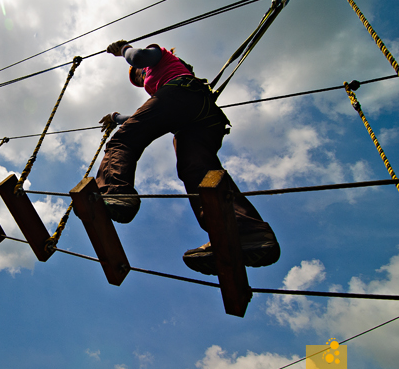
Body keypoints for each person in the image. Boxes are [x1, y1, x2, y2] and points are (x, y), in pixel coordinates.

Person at [96, 40, 279, 275]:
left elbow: (138, 57)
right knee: (197, 170)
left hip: (183, 96)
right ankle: (246, 231)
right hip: (202, 115)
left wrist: (124, 50)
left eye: (139, 76)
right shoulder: (165, 83)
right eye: (139, 80)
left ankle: (115, 191)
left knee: (123, 141)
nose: (141, 79)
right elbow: (148, 113)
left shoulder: (159, 57)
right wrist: (116, 116)